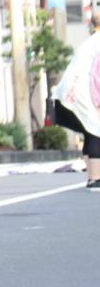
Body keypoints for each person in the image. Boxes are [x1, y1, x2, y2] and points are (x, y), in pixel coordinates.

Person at [51, 11, 100, 191]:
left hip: (69, 91)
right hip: (84, 91)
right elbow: (98, 77)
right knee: (96, 129)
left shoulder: (91, 41)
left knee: (90, 130)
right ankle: (96, 178)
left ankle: (92, 175)